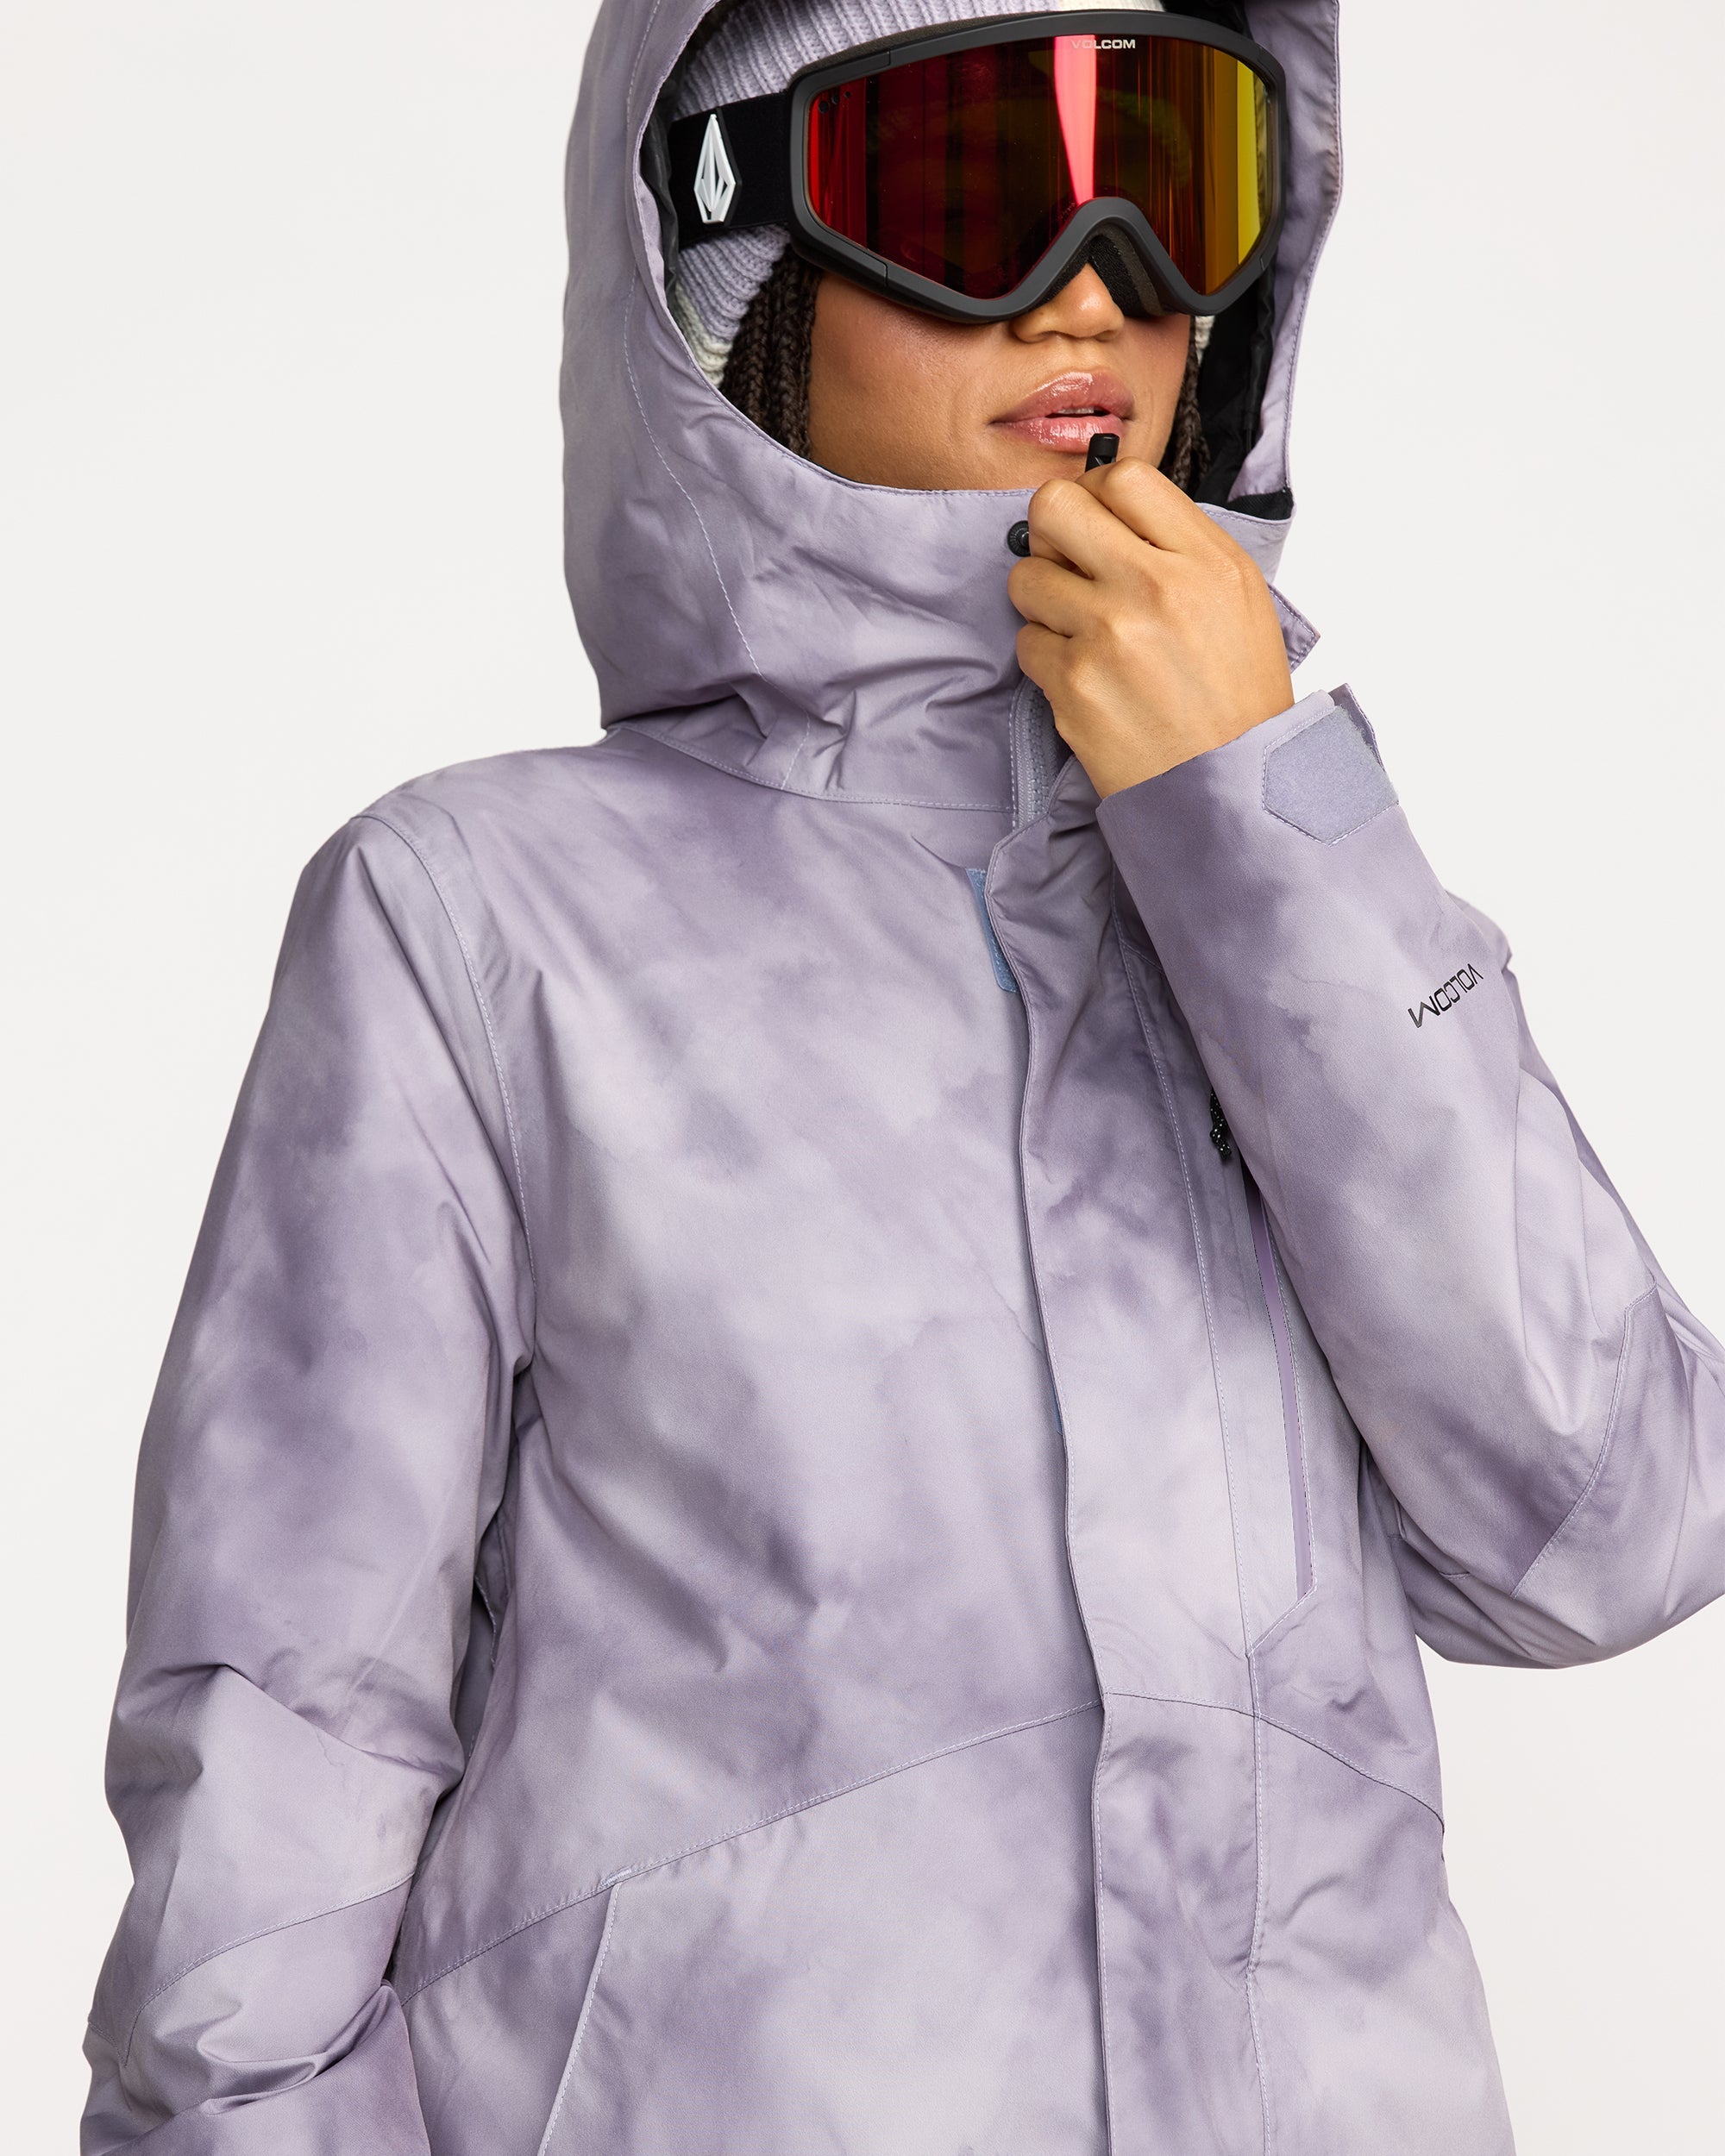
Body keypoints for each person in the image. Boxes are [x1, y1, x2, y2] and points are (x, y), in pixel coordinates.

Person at [81, 0, 1725, 2150]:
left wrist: (1261, 818)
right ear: (737, 256)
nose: (1093, 291)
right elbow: (276, 1797)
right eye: (973, 182)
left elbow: (1602, 1529)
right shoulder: (482, 914)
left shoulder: (1290, 897)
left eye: (1172, 179)